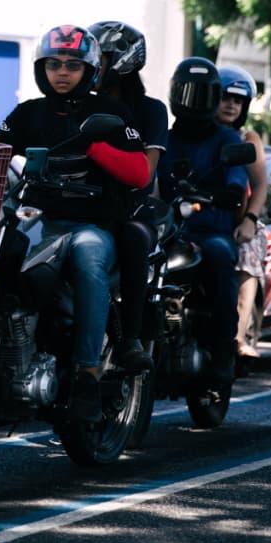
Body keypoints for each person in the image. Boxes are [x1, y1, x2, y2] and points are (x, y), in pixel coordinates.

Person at [0, 25, 150, 422]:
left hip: (93, 225)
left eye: (72, 65)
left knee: (86, 256)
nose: (61, 73)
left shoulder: (112, 114)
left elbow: (138, 173)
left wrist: (96, 147)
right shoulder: (29, 113)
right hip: (40, 223)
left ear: (91, 70)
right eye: (53, 64)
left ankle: (86, 373)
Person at [161, 58, 250, 388]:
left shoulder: (228, 140)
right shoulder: (164, 138)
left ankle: (222, 350)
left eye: (202, 94)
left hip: (210, 231)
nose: (193, 101)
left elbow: (238, 179)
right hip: (165, 231)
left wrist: (230, 192)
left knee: (219, 257)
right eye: (187, 92)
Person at [90, 21, 168, 372]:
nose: (91, 65)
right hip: (83, 203)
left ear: (121, 62)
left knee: (134, 238)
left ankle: (131, 339)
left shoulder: (150, 110)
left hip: (132, 208)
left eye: (99, 58)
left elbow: (146, 173)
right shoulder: (80, 104)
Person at [213, 65, 268, 363]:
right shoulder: (194, 133)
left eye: (238, 100)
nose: (231, 104)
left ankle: (238, 336)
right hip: (198, 216)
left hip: (238, 220)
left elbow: (260, 186)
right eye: (224, 97)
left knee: (248, 254)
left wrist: (250, 220)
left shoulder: (248, 138)